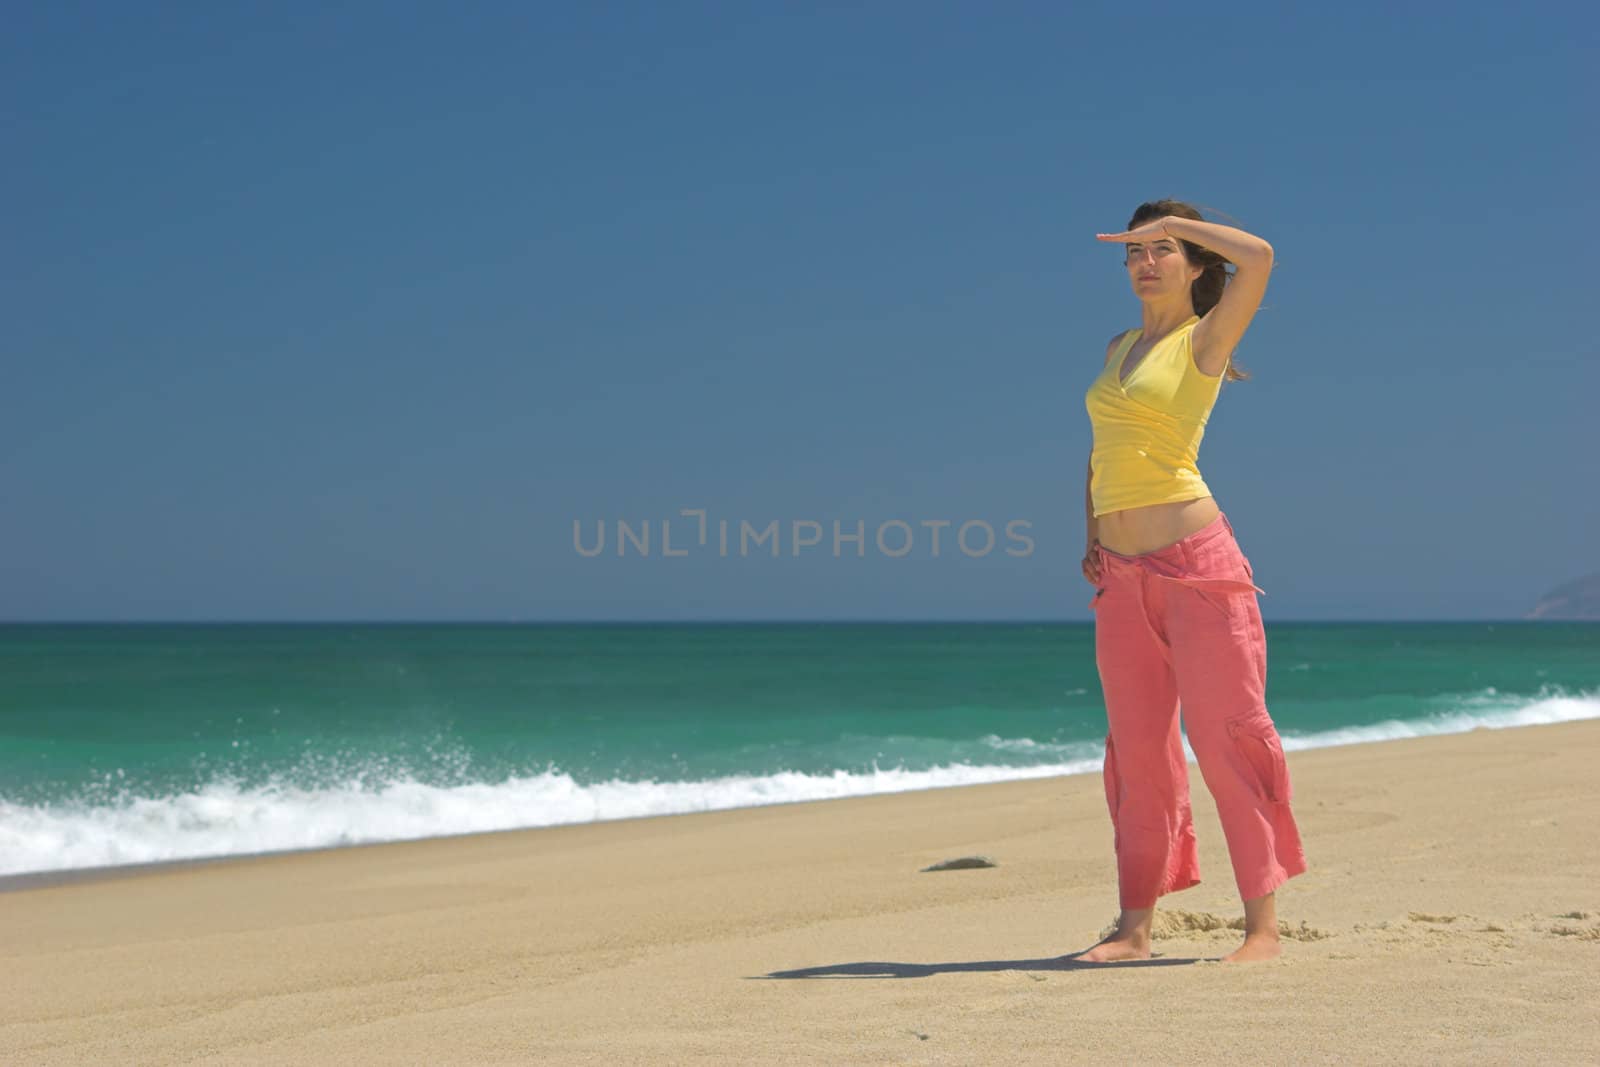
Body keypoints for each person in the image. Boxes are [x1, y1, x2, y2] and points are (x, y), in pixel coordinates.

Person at [1073, 200, 1306, 964]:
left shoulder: (1204, 338)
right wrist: (1092, 537)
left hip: (1199, 570)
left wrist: (1180, 220)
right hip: (1121, 575)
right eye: (1134, 252)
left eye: (1161, 250)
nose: (1143, 263)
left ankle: (1262, 928)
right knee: (1138, 752)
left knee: (1226, 739)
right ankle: (1135, 928)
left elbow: (1263, 255)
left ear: (1197, 263)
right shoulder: (1118, 346)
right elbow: (1102, 450)